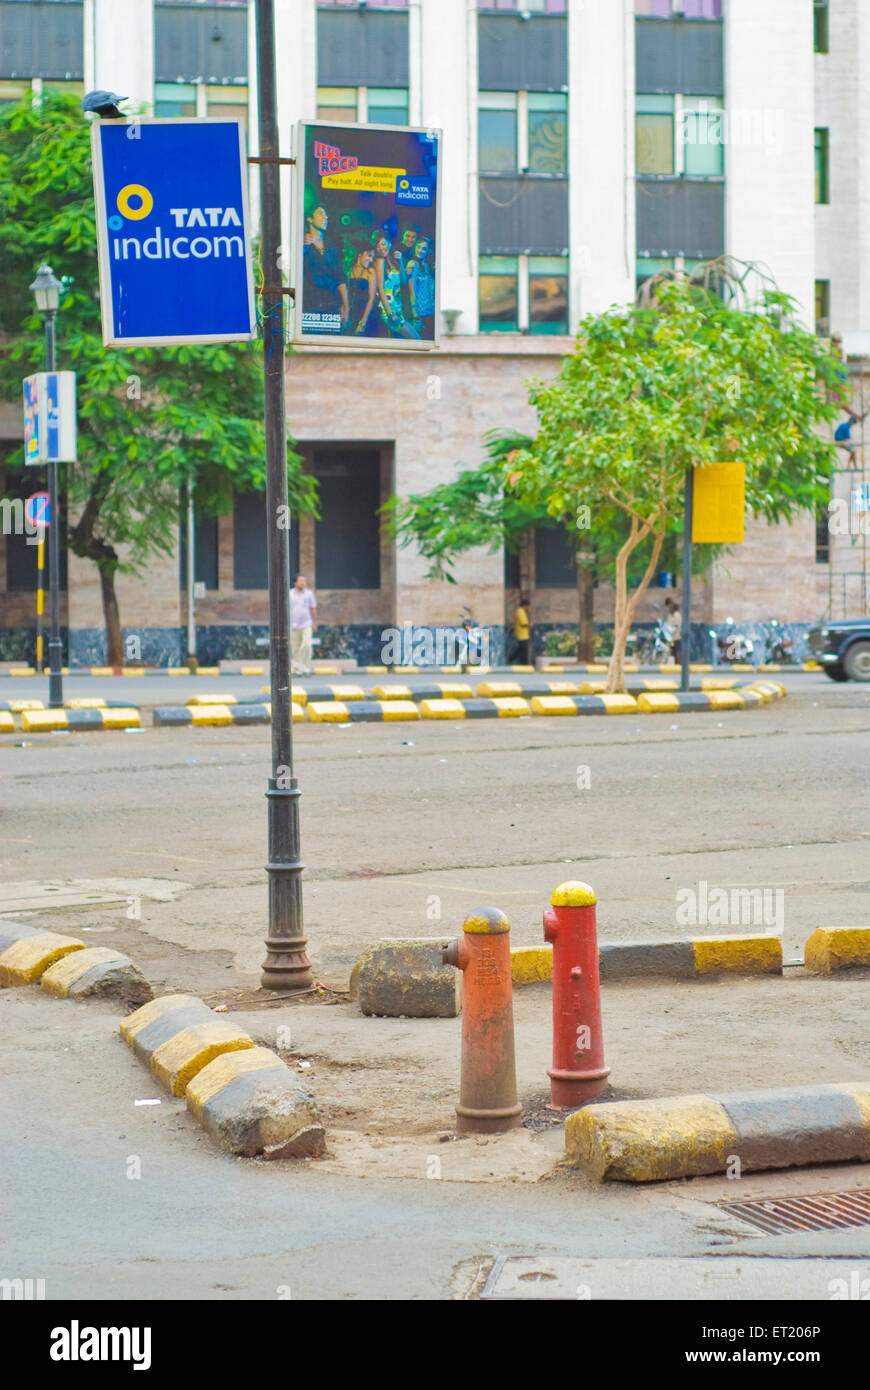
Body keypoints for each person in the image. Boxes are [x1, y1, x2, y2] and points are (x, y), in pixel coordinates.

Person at [302, 205, 349, 333]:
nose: (326, 217)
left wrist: (346, 306)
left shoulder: (332, 246)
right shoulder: (302, 244)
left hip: (332, 305)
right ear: (310, 219)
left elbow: (340, 277)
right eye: (321, 214)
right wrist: (303, 247)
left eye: (326, 214)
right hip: (310, 308)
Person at [406, 235, 436, 340]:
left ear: (428, 251)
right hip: (420, 313)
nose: (420, 250)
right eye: (418, 247)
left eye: (424, 249)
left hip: (431, 310)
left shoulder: (428, 266)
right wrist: (414, 312)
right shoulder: (412, 264)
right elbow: (412, 290)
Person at [344, 246, 378, 336]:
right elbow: (345, 294)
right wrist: (344, 311)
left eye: (372, 257)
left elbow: (371, 299)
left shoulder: (370, 271)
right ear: (360, 255)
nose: (371, 260)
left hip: (366, 314)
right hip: (351, 312)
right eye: (369, 256)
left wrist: (363, 322)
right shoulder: (349, 269)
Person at [290, 574, 317, 675]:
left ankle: (304, 666)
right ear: (295, 583)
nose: (303, 583)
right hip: (293, 625)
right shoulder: (290, 594)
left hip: (306, 624)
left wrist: (315, 623)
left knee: (307, 644)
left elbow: (313, 609)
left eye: (304, 581)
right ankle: (297, 669)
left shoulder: (309, 594)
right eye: (300, 581)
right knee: (294, 648)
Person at [513, 596, 531, 667]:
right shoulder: (520, 612)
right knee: (523, 652)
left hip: (522, 635)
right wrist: (530, 625)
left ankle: (521, 663)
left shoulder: (520, 611)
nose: (529, 608)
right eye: (528, 607)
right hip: (522, 635)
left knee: (520, 651)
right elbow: (524, 623)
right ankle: (524, 665)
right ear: (525, 606)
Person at [664, 596, 682, 664]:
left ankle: (678, 665)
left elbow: (677, 626)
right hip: (670, 637)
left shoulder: (677, 615)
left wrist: (671, 631)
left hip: (676, 637)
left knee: (677, 652)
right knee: (671, 653)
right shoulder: (669, 615)